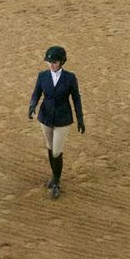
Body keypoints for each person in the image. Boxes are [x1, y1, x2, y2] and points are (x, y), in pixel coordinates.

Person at [28, 46, 84, 200]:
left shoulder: (70, 78)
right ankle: (54, 176)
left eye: (55, 62)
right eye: (50, 61)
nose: (51, 64)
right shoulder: (42, 76)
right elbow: (36, 93)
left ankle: (57, 182)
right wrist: (32, 106)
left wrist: (80, 118)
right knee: (50, 146)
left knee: (56, 151)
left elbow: (76, 99)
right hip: (45, 117)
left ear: (62, 62)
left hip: (62, 119)